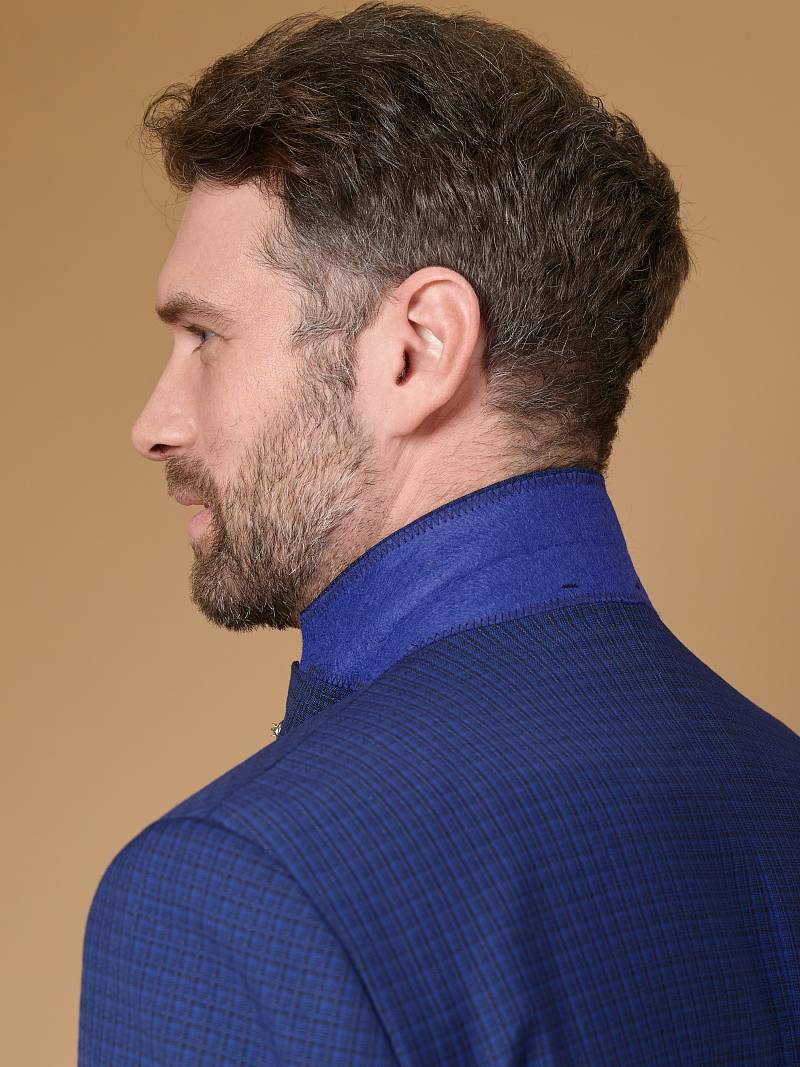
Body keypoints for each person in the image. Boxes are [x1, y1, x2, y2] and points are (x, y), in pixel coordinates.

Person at [78, 4, 800, 1064]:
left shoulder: (236, 888)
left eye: (204, 335)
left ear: (417, 348)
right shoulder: (779, 791)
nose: (154, 424)